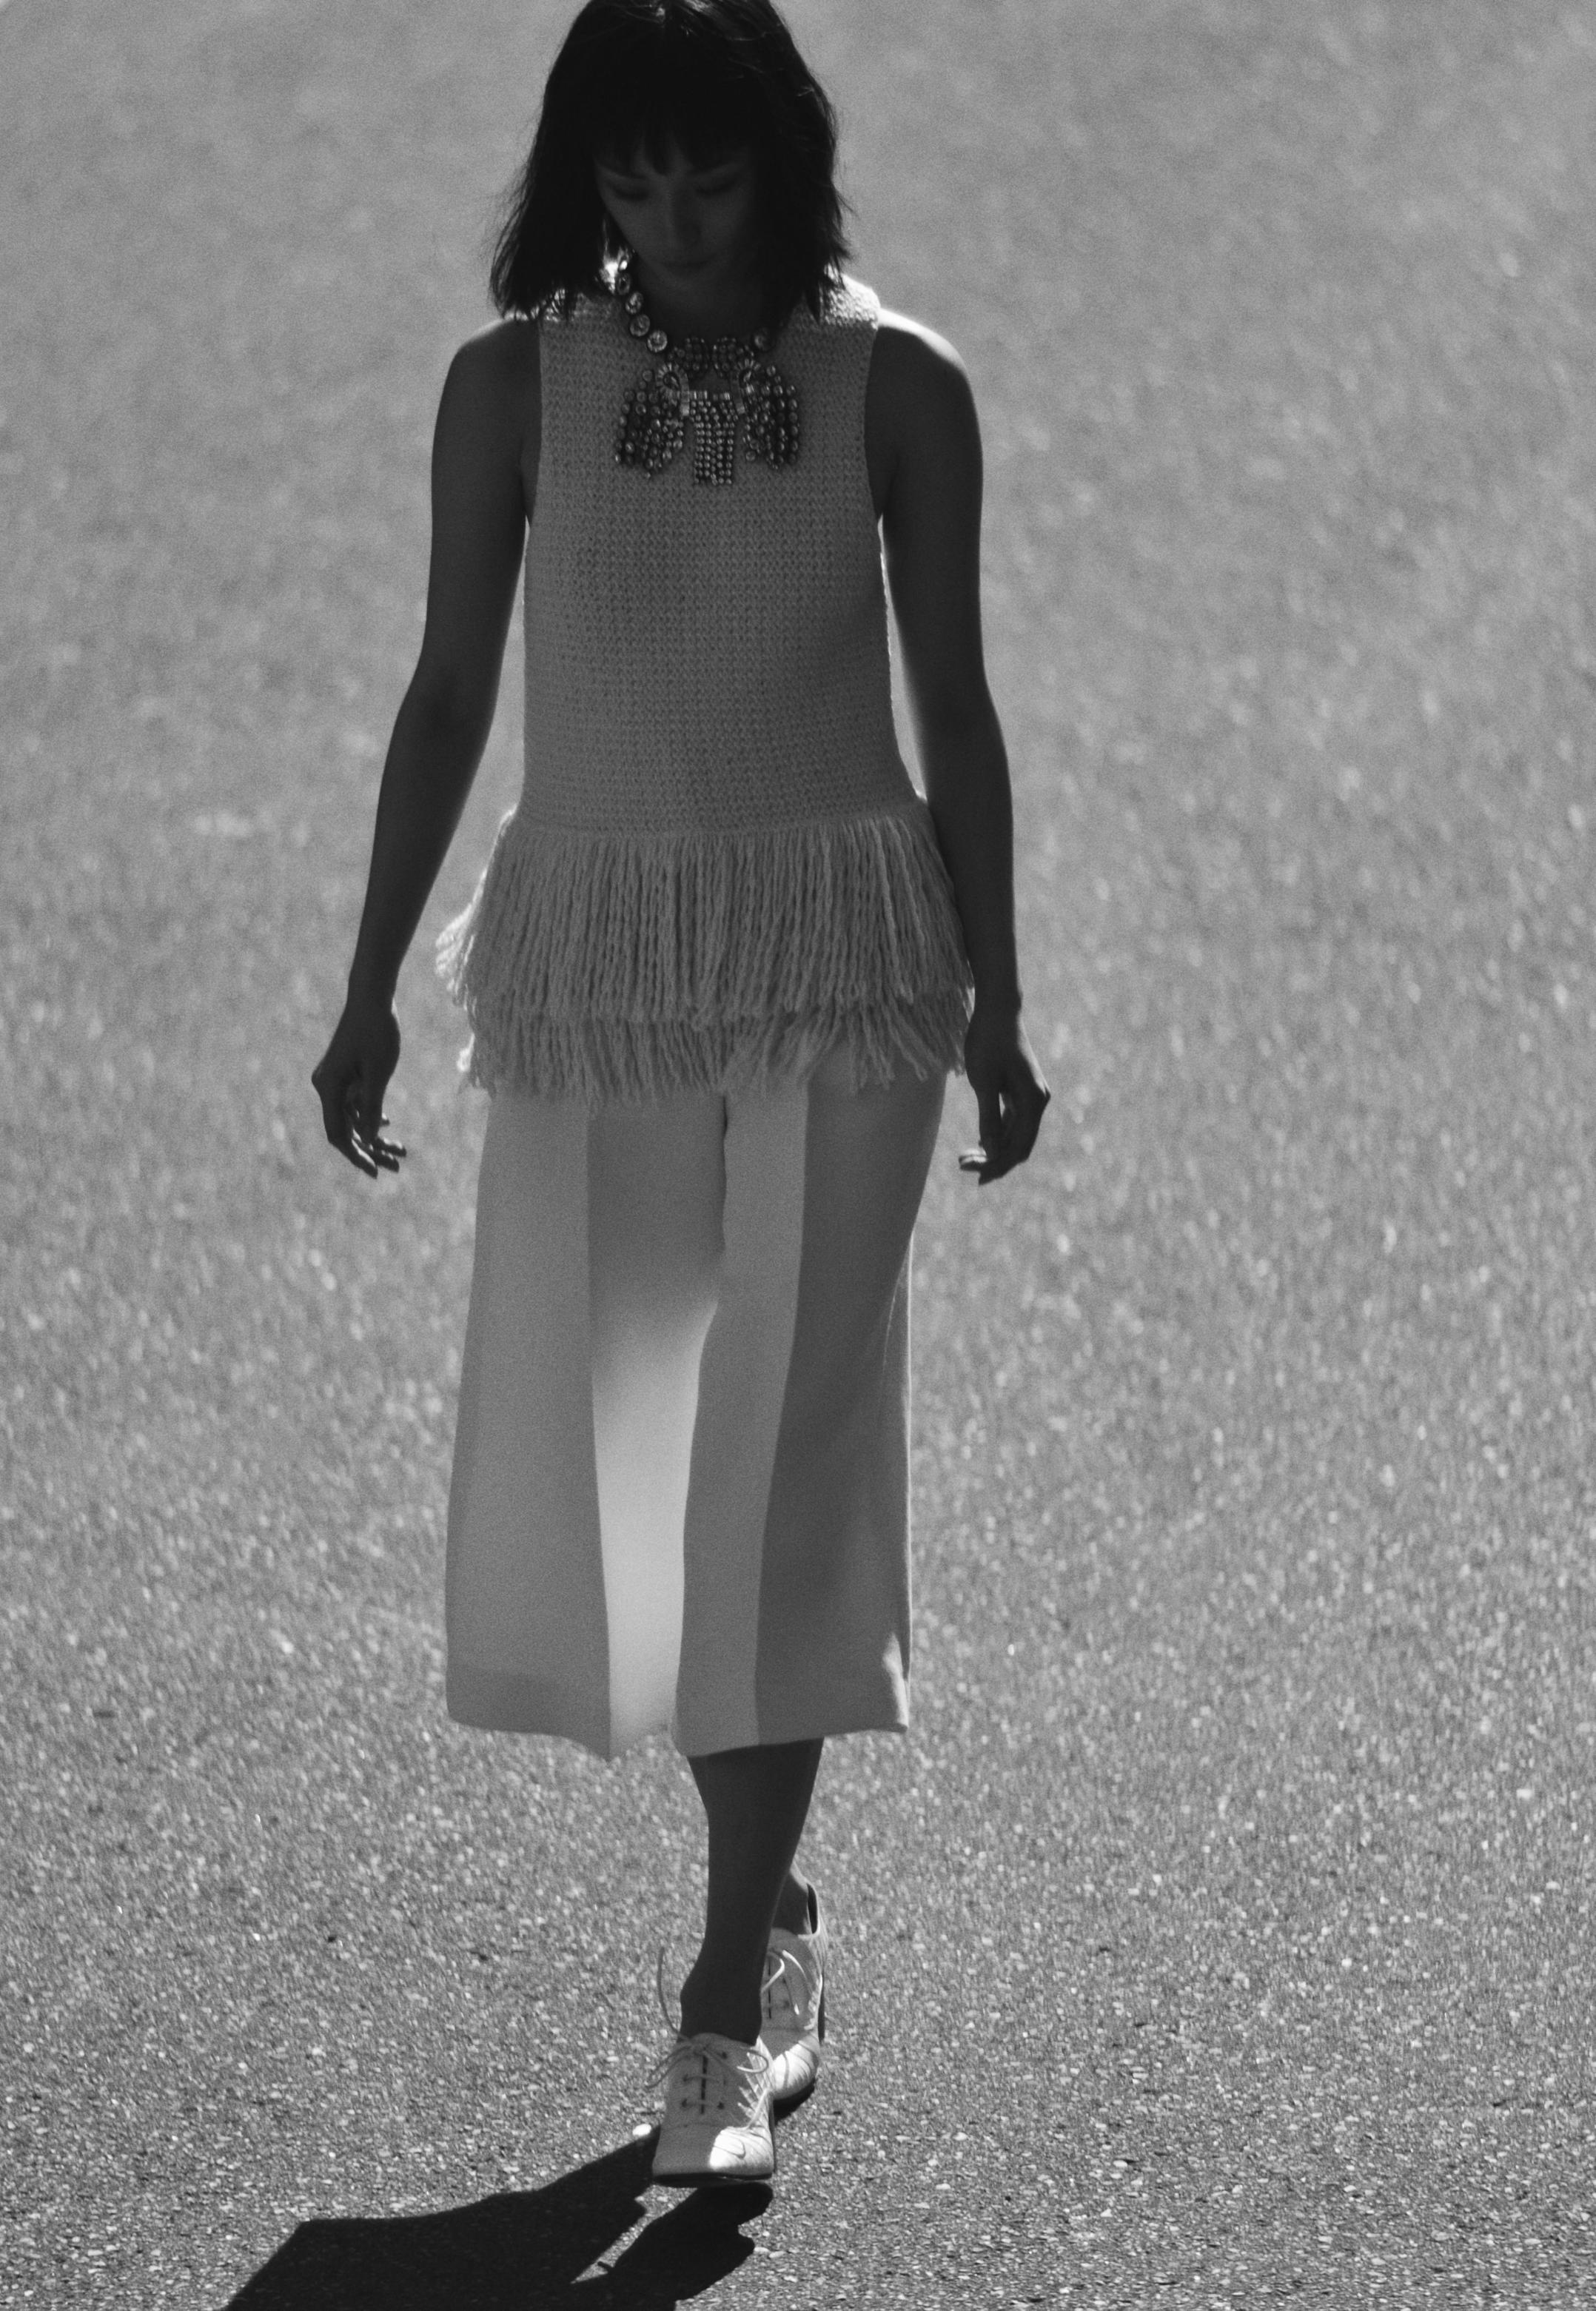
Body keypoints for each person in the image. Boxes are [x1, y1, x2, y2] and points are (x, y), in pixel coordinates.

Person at [312, 0, 1048, 2187]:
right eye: (627, 183)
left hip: (845, 974)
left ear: (783, 163)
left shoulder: (896, 388)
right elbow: (449, 693)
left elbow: (965, 718)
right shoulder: (508, 390)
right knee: (642, 1490)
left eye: (706, 179)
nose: (668, 224)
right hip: (604, 980)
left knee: (776, 1462)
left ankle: (721, 2001)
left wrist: (999, 1002)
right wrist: (361, 985)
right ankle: (782, 1901)